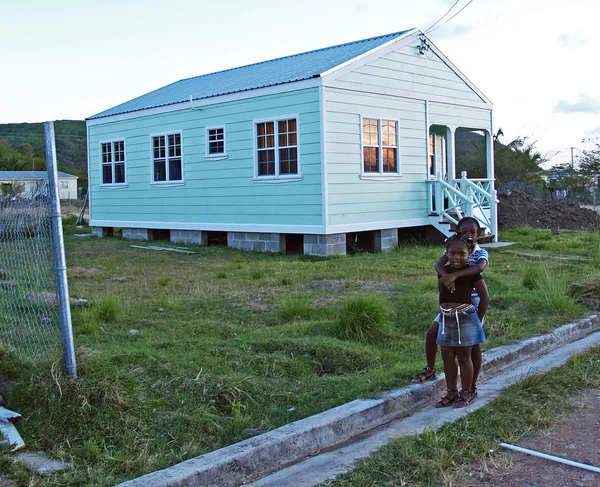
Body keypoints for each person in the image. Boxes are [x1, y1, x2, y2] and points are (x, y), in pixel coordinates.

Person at [412, 217, 489, 392]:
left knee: (472, 345)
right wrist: (445, 276)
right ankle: (430, 370)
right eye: (464, 231)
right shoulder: (454, 248)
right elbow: (439, 263)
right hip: (450, 303)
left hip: (472, 303)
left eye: (473, 232)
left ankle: (471, 386)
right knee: (433, 334)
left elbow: (479, 268)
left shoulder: (479, 252)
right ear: (457, 232)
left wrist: (453, 276)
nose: (468, 235)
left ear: (478, 235)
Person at [434, 234, 489, 408]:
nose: (457, 257)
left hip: (465, 318)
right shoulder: (444, 271)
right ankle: (451, 391)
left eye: (462, 254)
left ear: (469, 254)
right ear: (447, 253)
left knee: (464, 357)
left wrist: (476, 321)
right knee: (447, 356)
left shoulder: (472, 272)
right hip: (446, 317)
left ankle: (467, 391)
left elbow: (485, 298)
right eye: (452, 253)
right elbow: (441, 290)